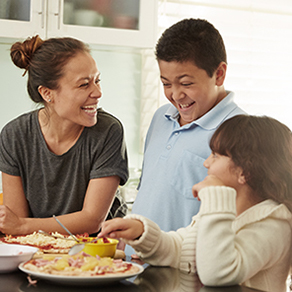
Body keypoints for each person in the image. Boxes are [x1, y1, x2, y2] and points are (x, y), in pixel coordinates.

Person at [99, 115, 292, 292]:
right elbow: (179, 249)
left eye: (216, 156)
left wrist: (215, 198)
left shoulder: (274, 223)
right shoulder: (224, 212)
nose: (206, 163)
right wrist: (142, 231)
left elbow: (217, 274)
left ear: (245, 172)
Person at [0, 35, 128, 236]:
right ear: (47, 94)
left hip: (97, 255)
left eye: (97, 80)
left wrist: (24, 226)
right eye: (84, 84)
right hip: (35, 251)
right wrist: (20, 227)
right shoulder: (14, 136)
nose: (98, 93)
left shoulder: (108, 131)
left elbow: (92, 220)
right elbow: (15, 224)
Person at [131, 18, 246, 234]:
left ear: (219, 74)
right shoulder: (160, 118)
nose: (175, 95)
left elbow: (240, 220)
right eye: (166, 84)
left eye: (186, 83)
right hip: (134, 262)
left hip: (181, 264)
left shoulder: (239, 132)